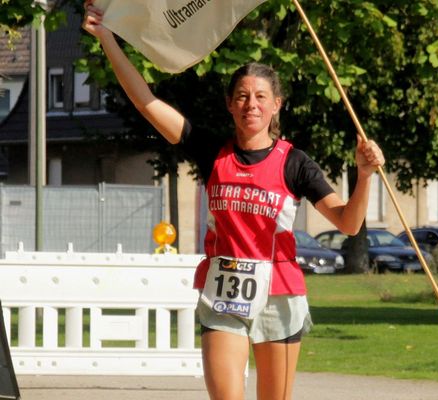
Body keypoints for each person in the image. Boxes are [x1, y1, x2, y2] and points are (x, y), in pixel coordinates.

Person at [82, 2, 385, 399]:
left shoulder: (295, 163)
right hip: (225, 293)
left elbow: (347, 223)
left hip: (280, 294)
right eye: (242, 96)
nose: (251, 105)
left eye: (261, 96)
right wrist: (108, 38)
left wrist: (363, 178)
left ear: (276, 105)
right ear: (230, 104)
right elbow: (147, 103)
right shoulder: (213, 150)